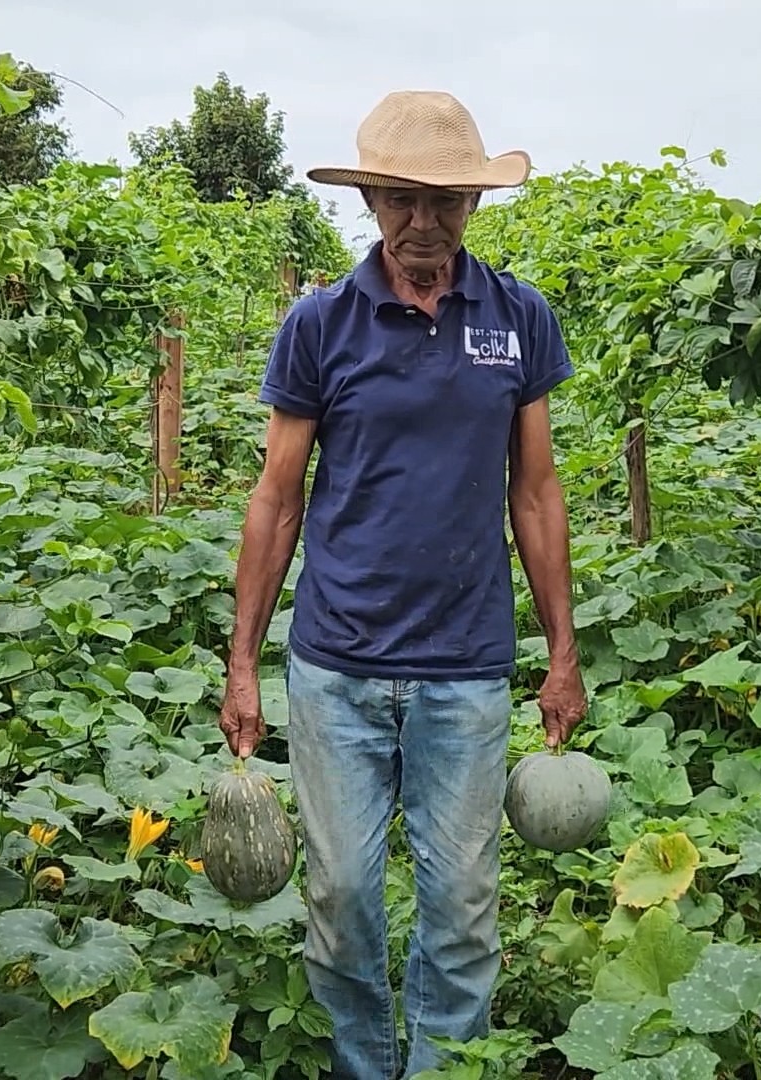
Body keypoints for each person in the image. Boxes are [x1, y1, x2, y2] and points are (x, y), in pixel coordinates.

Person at [217, 90, 588, 1080]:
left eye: (447, 203)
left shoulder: (517, 320)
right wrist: (242, 664)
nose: (423, 225)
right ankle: (362, 1064)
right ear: (371, 201)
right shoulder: (320, 325)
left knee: (461, 905)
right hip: (335, 667)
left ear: (475, 203)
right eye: (399, 202)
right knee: (341, 897)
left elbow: (538, 494)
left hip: (464, 669)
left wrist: (563, 653)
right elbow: (276, 500)